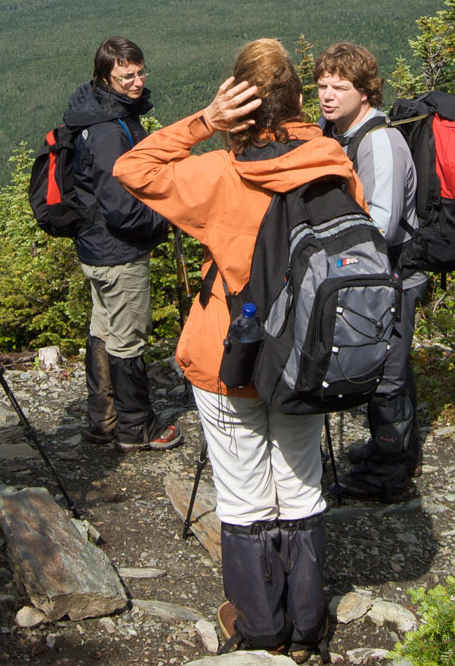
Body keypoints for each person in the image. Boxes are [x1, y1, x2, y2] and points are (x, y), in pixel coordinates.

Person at [114, 39, 362, 658]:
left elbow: (133, 169)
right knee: (300, 482)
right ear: (298, 100)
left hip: (231, 355)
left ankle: (260, 627)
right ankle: (306, 626)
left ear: (238, 107)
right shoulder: (332, 160)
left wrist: (205, 120)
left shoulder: (218, 173)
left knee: (244, 491)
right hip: (306, 352)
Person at [312, 43, 422, 501]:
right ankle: (394, 450)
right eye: (322, 86)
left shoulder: (379, 142)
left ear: (365, 91)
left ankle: (389, 474)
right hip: (369, 271)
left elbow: (384, 223)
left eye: (340, 87)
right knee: (388, 362)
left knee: (387, 371)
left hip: (392, 273)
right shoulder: (336, 131)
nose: (328, 95)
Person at [63, 37, 182, 450]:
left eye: (140, 72)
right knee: (129, 337)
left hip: (95, 247)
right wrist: (164, 219)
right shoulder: (108, 131)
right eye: (125, 76)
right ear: (104, 78)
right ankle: (136, 428)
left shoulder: (93, 113)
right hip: (118, 251)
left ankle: (103, 421)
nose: (137, 82)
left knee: (104, 329)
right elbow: (120, 207)